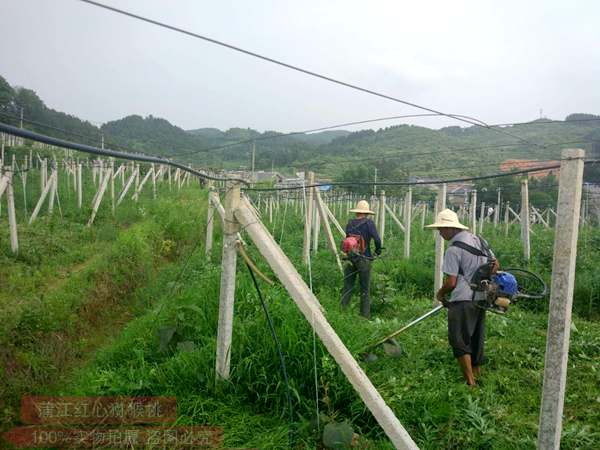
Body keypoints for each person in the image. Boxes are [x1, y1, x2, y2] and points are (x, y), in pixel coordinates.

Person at [425, 208, 499, 386]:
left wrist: (440, 294)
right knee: (476, 337)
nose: (440, 233)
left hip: (462, 301)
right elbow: (495, 265)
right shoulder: (479, 240)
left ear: (452, 228)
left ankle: (471, 383)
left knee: (459, 340)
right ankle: (477, 373)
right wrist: (480, 278)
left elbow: (451, 282)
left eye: (442, 229)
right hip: (482, 297)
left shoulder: (453, 250)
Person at [340, 200, 382, 319]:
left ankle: (342, 312)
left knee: (348, 285)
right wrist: (378, 251)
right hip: (364, 258)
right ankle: (364, 316)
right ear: (367, 213)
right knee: (364, 289)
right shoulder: (369, 224)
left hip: (350, 258)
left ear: (357, 212)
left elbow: (348, 240)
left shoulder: (350, 223)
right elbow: (377, 240)